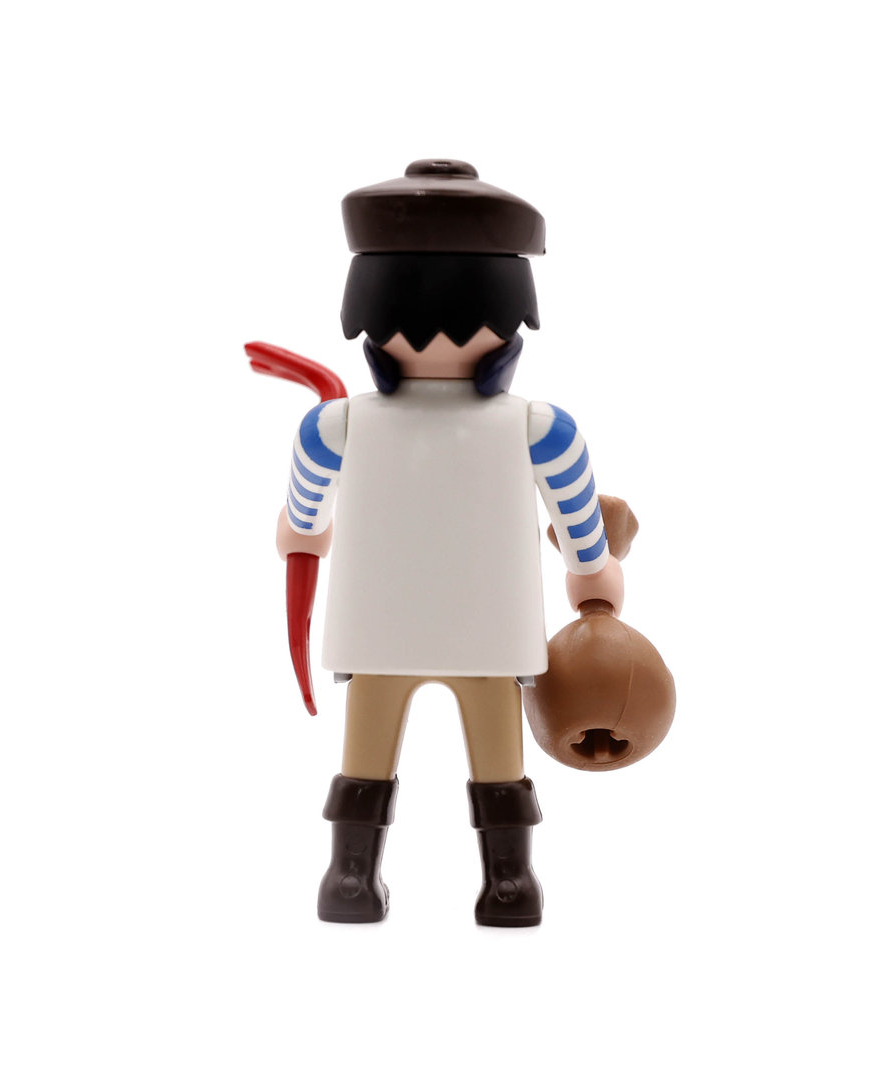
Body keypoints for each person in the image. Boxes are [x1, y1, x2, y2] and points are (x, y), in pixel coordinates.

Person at [275, 161, 623, 926]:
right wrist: (595, 576)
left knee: (365, 757)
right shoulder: (542, 427)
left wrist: (302, 534)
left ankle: (348, 880)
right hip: (488, 634)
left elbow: (303, 519)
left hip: (379, 631)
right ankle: (510, 885)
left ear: (365, 315)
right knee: (499, 761)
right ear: (513, 316)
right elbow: (581, 529)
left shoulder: (334, 425)